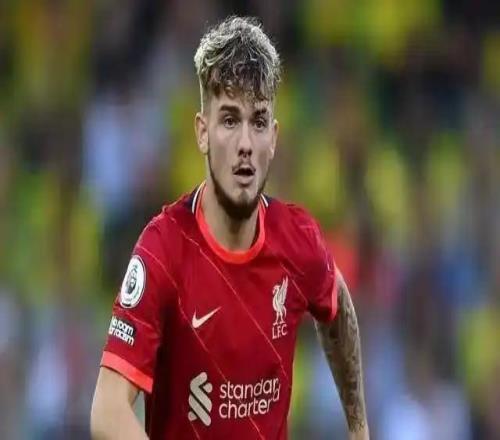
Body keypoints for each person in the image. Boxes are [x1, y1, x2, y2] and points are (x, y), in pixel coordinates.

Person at [90, 16, 369, 440]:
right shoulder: (164, 249)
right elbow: (107, 411)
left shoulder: (298, 238)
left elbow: (339, 311)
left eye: (258, 122)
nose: (245, 144)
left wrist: (359, 428)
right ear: (202, 133)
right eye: (229, 120)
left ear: (273, 138)